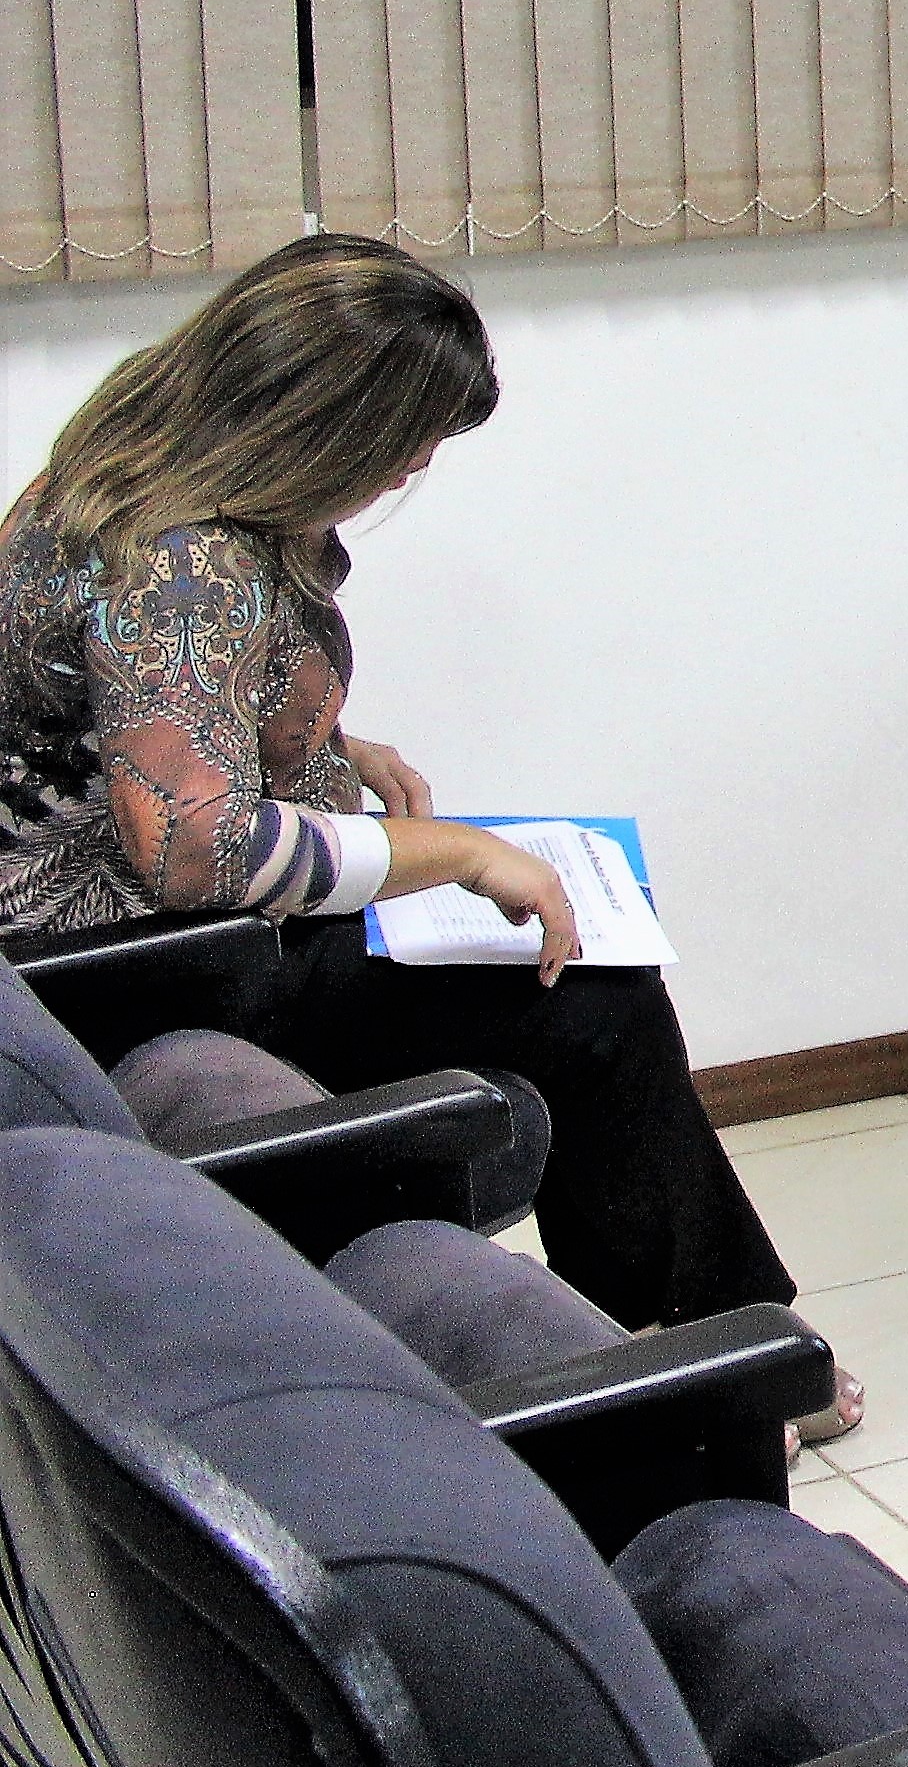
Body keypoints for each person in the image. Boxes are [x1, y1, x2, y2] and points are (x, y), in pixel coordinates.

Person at [0, 237, 845, 1430]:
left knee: (579, 988)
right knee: (591, 1001)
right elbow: (198, 852)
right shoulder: (180, 568)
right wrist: (458, 854)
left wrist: (331, 749)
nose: (415, 466)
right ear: (323, 426)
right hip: (141, 971)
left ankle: (703, 1333)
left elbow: (133, 717)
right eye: (408, 441)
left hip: (107, 931)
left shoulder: (133, 457)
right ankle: (694, 1365)